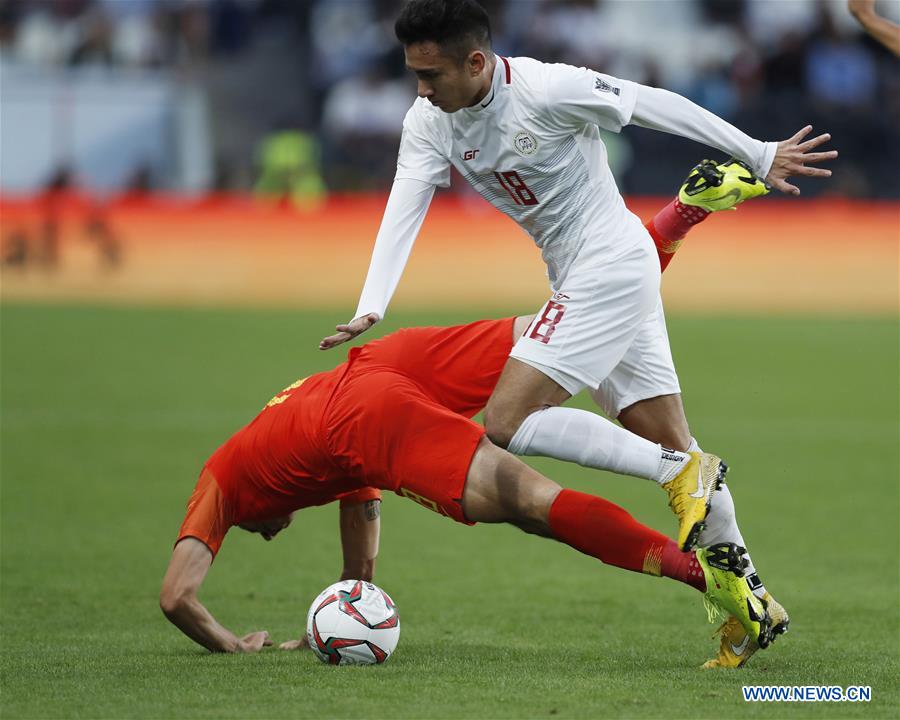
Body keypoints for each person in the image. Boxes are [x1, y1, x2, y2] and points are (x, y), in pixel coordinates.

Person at [319, 0, 836, 667]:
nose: (421, 87)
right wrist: (372, 303)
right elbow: (405, 201)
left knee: (507, 421)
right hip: (601, 274)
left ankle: (680, 474)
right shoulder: (430, 122)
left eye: (431, 73)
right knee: (673, 436)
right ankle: (752, 604)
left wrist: (758, 151)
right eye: (413, 73)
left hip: (609, 266)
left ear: (475, 62)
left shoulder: (545, 88)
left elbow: (652, 101)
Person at [161, 313, 767, 659]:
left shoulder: (220, 484)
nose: (270, 533)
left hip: (361, 415)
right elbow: (361, 501)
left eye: (256, 531)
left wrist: (234, 647)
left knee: (532, 504)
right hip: (376, 364)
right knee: (550, 332)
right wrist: (356, 598)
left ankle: (712, 577)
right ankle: (664, 231)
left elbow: (176, 597)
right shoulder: (277, 436)